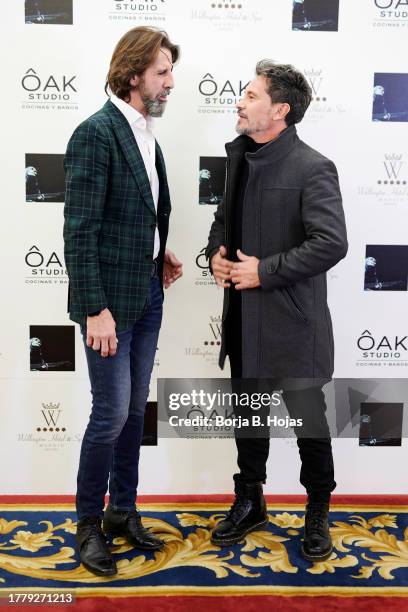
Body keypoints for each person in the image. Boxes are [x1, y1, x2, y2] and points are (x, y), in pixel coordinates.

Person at [206, 60, 348, 561]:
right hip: (244, 323)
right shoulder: (240, 160)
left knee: (311, 427)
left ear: (280, 109)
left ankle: (318, 511)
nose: (239, 102)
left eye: (249, 94)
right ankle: (251, 501)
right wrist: (218, 258)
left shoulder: (313, 166)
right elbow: (223, 222)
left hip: (294, 327)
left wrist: (263, 271)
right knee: (248, 421)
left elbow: (331, 243)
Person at [63, 26, 182, 577]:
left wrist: (161, 253)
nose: (170, 82)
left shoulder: (145, 132)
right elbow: (80, 230)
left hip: (147, 293)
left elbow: (135, 213)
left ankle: (122, 512)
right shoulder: (96, 133)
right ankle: (88, 525)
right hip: (108, 304)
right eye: (161, 72)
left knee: (134, 411)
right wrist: (94, 308)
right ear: (133, 74)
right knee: (110, 412)